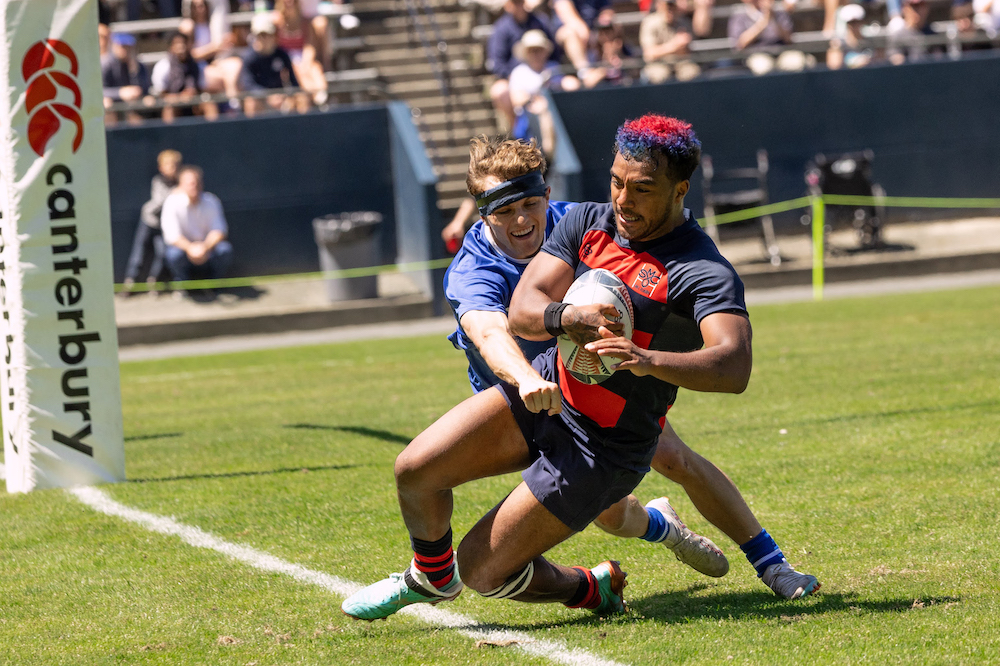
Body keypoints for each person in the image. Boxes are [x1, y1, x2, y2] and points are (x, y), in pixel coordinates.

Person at [341, 122, 819, 621]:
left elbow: (733, 366)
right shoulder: (583, 225)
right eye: (616, 181)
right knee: (414, 469)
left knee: (488, 566)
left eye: (642, 189)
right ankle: (455, 579)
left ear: (680, 190)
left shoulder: (702, 270)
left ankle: (766, 562)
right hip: (537, 387)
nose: (623, 199)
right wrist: (566, 318)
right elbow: (512, 318)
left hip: (609, 439)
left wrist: (647, 359)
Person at [486, 0, 563, 130]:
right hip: (513, 77)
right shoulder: (501, 27)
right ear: (508, 5)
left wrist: (544, 67)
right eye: (514, 2)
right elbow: (496, 62)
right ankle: (516, 132)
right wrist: (514, 78)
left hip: (544, 73)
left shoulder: (540, 21)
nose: (518, 5)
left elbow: (554, 50)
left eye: (520, 2)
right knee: (499, 91)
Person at [160, 165, 234, 299]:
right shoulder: (172, 203)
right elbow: (171, 235)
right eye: (190, 183)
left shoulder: (211, 201)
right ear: (181, 185)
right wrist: (190, 248)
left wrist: (205, 247)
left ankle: (213, 285)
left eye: (197, 182)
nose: (194, 186)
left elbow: (220, 230)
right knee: (172, 254)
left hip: (207, 250)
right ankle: (182, 285)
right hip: (184, 251)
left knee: (225, 250)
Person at [122, 149, 182, 297]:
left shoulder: (181, 183)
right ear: (161, 167)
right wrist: (176, 192)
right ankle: (130, 282)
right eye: (168, 165)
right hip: (148, 221)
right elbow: (161, 201)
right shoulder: (158, 181)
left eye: (174, 165)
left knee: (162, 253)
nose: (171, 168)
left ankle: (153, 282)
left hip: (165, 226)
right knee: (139, 252)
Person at [240, 13, 310, 116]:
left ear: (274, 35)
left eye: (267, 35)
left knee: (301, 97)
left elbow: (294, 81)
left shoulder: (282, 55)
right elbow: (248, 85)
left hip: (282, 97)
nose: (264, 39)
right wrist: (267, 96)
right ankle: (254, 131)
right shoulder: (249, 58)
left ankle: (303, 129)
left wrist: (288, 96)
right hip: (261, 100)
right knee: (251, 102)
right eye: (260, 35)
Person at [151, 31, 219, 122]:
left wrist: (193, 94)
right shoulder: (163, 66)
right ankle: (168, 134)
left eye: (183, 43)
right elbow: (161, 95)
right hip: (174, 102)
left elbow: (204, 89)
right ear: (171, 47)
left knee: (209, 104)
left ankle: (213, 133)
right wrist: (180, 97)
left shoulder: (198, 65)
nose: (181, 47)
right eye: (177, 44)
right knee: (169, 107)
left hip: (194, 102)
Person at [728, 0, 811, 75]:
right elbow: (740, 44)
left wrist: (772, 17)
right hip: (757, 53)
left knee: (796, 62)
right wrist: (764, 22)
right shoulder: (740, 14)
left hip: (782, 51)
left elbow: (789, 39)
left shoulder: (779, 12)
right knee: (763, 67)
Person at [639, 0, 701, 84]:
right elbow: (649, 54)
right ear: (659, 6)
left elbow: (688, 52)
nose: (669, 10)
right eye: (667, 6)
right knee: (660, 76)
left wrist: (683, 46)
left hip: (680, 62)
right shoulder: (650, 22)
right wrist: (674, 45)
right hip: (658, 63)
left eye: (672, 6)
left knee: (692, 72)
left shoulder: (683, 22)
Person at [102, 32, 154, 125]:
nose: (125, 49)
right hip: (113, 104)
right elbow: (100, 91)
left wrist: (134, 71)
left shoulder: (138, 65)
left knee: (148, 105)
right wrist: (120, 92)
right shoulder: (106, 65)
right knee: (107, 105)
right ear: (114, 46)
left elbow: (144, 88)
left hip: (133, 106)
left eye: (128, 46)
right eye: (122, 46)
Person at [826, 4, 875, 69]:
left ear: (862, 22)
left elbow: (879, 62)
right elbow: (834, 66)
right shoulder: (838, 44)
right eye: (851, 22)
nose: (854, 25)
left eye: (857, 21)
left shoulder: (870, 42)